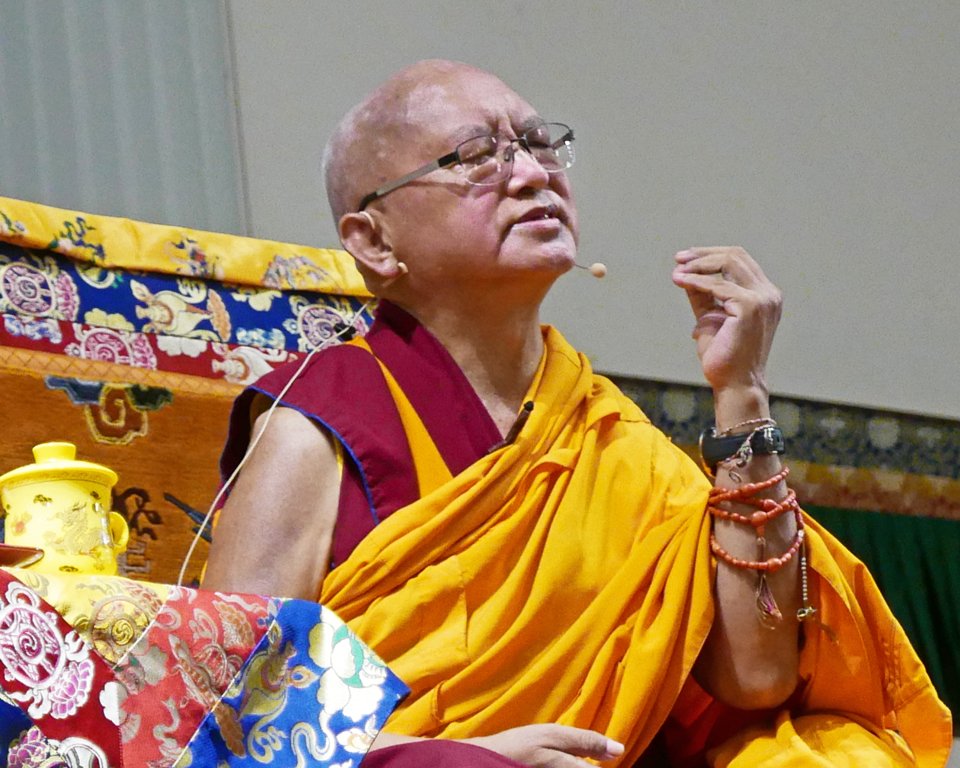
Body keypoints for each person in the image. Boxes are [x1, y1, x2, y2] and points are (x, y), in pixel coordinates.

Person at [202, 60, 951, 767]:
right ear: (375, 240)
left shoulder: (607, 435)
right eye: (474, 155)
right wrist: (461, 761)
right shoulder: (315, 425)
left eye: (537, 144)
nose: (533, 173)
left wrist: (742, 393)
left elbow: (755, 677)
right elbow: (225, 719)